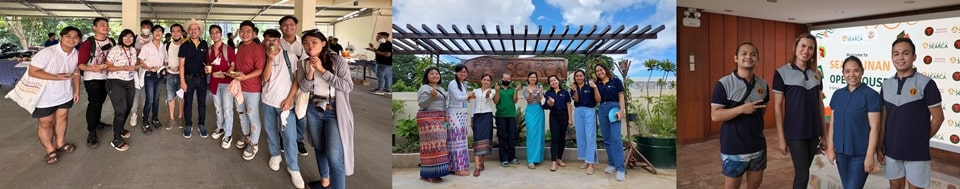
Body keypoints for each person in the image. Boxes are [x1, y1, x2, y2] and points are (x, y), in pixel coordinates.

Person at [880, 37, 944, 189]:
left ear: (914, 57)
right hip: (891, 150)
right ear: (892, 57)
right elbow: (882, 119)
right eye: (896, 54)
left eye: (905, 53)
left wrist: (920, 139)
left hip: (917, 153)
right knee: (895, 186)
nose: (900, 57)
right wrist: (878, 147)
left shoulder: (926, 83)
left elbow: (938, 118)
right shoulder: (886, 85)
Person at [299, 29, 355, 189]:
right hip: (313, 109)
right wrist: (310, 72)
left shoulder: (338, 61)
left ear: (323, 43)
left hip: (334, 111)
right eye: (306, 43)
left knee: (334, 155)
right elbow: (303, 88)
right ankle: (325, 181)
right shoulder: (303, 62)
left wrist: (323, 71)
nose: (310, 46)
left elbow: (347, 86)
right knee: (319, 147)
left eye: (314, 42)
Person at [710, 42, 769, 189]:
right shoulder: (723, 84)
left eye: (753, 54)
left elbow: (763, 110)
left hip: (757, 144)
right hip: (733, 146)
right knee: (732, 186)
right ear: (736, 58)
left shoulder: (762, 84)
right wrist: (741, 109)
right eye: (744, 53)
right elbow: (715, 116)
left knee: (755, 183)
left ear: (757, 59)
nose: (748, 57)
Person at [772, 33, 824, 189]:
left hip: (813, 132)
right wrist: (781, 138)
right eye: (803, 46)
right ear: (795, 48)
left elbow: (820, 104)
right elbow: (777, 107)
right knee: (803, 175)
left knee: (803, 172)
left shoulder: (816, 74)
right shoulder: (781, 72)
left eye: (810, 48)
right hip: (795, 133)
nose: (806, 51)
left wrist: (825, 134)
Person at [825, 56, 881, 189]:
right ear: (843, 73)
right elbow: (833, 124)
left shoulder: (871, 95)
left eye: (856, 70)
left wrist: (869, 156)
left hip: (860, 154)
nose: (851, 75)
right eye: (847, 71)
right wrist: (831, 149)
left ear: (862, 71)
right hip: (841, 154)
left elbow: (875, 127)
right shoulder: (837, 95)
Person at [258, 29, 304, 188]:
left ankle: (294, 168)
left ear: (279, 41)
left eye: (275, 40)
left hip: (286, 103)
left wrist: (289, 99)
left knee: (290, 136)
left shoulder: (290, 56)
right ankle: (275, 155)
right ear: (264, 41)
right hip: (268, 101)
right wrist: (269, 61)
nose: (272, 43)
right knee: (271, 130)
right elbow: (264, 78)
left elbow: (296, 81)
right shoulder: (262, 56)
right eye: (268, 40)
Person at [29, 26, 82, 164]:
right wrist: (57, 78)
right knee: (45, 123)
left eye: (76, 37)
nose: (72, 39)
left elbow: (76, 72)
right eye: (68, 36)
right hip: (45, 96)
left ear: (79, 40)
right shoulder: (48, 52)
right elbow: (33, 71)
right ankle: (50, 149)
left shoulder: (76, 54)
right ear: (61, 37)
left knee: (62, 118)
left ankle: (60, 143)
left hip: (65, 94)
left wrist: (77, 89)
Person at [77, 17, 114, 149]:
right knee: (94, 103)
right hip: (92, 78)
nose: (105, 27)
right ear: (95, 27)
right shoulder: (88, 43)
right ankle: (91, 132)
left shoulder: (111, 41)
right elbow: (80, 65)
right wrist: (92, 68)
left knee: (100, 102)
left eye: (107, 25)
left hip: (106, 78)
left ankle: (97, 122)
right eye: (102, 25)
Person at [232, 20, 265, 161]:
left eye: (248, 31)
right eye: (242, 31)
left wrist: (245, 77)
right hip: (239, 87)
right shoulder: (240, 47)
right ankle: (246, 135)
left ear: (254, 33)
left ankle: (254, 143)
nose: (244, 34)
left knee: (253, 116)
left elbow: (259, 70)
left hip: (252, 88)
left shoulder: (257, 49)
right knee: (241, 113)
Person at [278, 15, 309, 156]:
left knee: (301, 114)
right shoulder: (277, 43)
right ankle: (282, 138)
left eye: (291, 24)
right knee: (283, 112)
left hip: (302, 83)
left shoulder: (304, 43)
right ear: (281, 28)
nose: (288, 27)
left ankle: (299, 140)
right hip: (283, 84)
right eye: (285, 25)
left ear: (296, 26)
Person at [105, 29, 140, 150]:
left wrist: (134, 68)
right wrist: (123, 67)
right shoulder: (115, 49)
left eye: (131, 37)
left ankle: (120, 129)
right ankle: (116, 139)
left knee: (128, 108)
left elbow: (133, 65)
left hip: (129, 82)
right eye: (125, 37)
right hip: (115, 82)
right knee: (120, 110)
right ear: (121, 38)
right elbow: (107, 67)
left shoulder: (133, 50)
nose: (128, 39)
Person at [206, 24, 237, 149]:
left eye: (217, 32)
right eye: (212, 33)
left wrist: (224, 73)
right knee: (218, 107)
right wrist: (208, 70)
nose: (215, 35)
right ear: (210, 35)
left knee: (227, 108)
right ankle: (220, 127)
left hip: (226, 82)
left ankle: (228, 133)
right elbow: (208, 65)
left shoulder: (228, 49)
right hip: (214, 82)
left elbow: (233, 66)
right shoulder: (209, 50)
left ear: (221, 34)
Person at [417, 67, 450, 183]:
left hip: (440, 119)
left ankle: (427, 173)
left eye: (437, 73)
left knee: (439, 145)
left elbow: (444, 104)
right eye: (432, 74)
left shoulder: (441, 88)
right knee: (431, 146)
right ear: (427, 76)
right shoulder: (424, 88)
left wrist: (446, 116)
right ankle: (432, 174)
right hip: (427, 119)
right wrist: (432, 97)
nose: (435, 75)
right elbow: (421, 104)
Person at [594, 64, 626, 181]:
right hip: (602, 108)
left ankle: (621, 168)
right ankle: (612, 164)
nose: (599, 72)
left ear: (605, 70)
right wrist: (595, 88)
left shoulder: (616, 81)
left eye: (601, 70)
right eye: (597, 71)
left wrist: (621, 111)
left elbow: (621, 96)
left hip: (614, 108)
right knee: (607, 138)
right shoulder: (597, 84)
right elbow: (598, 100)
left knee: (616, 138)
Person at [178, 19, 209, 139]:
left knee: (202, 103)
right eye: (191, 29)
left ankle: (201, 124)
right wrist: (182, 82)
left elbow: (206, 61)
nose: (193, 31)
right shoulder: (184, 45)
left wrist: (207, 68)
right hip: (188, 79)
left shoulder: (204, 44)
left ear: (200, 31)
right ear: (188, 31)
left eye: (196, 29)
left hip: (201, 79)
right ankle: (188, 125)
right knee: (188, 103)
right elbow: (181, 65)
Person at [571, 70, 600, 174]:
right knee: (581, 136)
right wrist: (574, 91)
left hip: (589, 111)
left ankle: (591, 163)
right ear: (575, 78)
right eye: (577, 76)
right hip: (578, 111)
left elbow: (597, 99)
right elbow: (577, 100)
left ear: (584, 76)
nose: (579, 77)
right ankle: (585, 160)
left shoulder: (590, 87)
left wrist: (595, 87)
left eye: (580, 76)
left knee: (590, 136)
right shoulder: (573, 88)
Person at [138, 25, 166, 131]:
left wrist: (164, 68)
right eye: (155, 31)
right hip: (149, 74)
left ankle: (155, 118)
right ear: (152, 33)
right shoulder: (146, 47)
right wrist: (149, 68)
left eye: (160, 31)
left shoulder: (163, 46)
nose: (158, 33)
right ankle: (145, 121)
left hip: (159, 75)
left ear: (162, 34)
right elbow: (141, 62)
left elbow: (165, 60)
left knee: (156, 99)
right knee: (149, 99)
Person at [445, 64, 470, 176]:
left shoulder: (463, 84)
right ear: (455, 72)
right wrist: (469, 97)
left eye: (465, 72)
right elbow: (457, 97)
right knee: (456, 142)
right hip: (454, 114)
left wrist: (467, 99)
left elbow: (462, 100)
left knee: (461, 141)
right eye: (461, 71)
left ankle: (457, 166)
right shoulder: (453, 83)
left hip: (462, 113)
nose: (463, 73)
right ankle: (457, 168)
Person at [543, 75, 573, 172]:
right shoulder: (548, 93)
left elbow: (569, 105)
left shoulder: (565, 92)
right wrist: (550, 103)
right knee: (555, 138)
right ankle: (553, 161)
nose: (553, 82)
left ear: (558, 81)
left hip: (564, 116)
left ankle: (559, 158)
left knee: (562, 138)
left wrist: (570, 119)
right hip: (554, 116)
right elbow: (546, 106)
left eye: (554, 80)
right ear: (549, 83)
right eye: (551, 81)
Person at [129, 19, 154, 128]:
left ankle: (145, 113)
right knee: (135, 92)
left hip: (147, 70)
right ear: (141, 27)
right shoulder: (135, 38)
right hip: (136, 68)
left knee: (146, 92)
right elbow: (132, 52)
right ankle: (134, 113)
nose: (146, 29)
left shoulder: (153, 39)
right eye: (144, 27)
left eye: (148, 27)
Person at [469, 74, 495, 177]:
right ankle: (476, 167)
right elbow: (473, 106)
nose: (486, 81)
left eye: (488, 80)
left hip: (487, 116)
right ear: (481, 80)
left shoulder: (492, 91)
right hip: (477, 117)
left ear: (490, 82)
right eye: (484, 79)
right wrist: (472, 119)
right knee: (477, 140)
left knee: (485, 140)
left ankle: (482, 163)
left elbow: (489, 97)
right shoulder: (475, 91)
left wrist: (488, 94)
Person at [494, 72, 520, 167]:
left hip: (511, 116)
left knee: (512, 137)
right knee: (502, 137)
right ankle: (504, 158)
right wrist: (497, 91)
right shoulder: (497, 89)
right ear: (502, 79)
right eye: (505, 78)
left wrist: (516, 91)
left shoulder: (512, 89)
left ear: (510, 80)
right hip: (501, 116)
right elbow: (496, 101)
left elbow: (515, 101)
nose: (506, 80)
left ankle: (512, 157)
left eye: (508, 79)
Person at [164, 23, 186, 130]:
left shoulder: (186, 45)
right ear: (171, 33)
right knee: (170, 98)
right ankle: (171, 118)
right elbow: (165, 60)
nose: (176, 33)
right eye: (173, 31)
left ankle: (180, 117)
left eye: (178, 31)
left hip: (182, 76)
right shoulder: (167, 45)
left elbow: (190, 60)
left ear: (181, 33)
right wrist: (168, 67)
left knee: (181, 97)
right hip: (170, 75)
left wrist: (180, 67)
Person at [523, 72, 545, 169]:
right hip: (530, 110)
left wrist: (540, 93)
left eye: (534, 77)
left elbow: (540, 101)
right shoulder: (525, 88)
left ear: (536, 79)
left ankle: (538, 158)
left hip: (539, 110)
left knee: (539, 134)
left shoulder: (540, 87)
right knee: (531, 134)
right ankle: (531, 160)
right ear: (528, 78)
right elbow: (529, 101)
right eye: (531, 77)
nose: (533, 78)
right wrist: (531, 93)